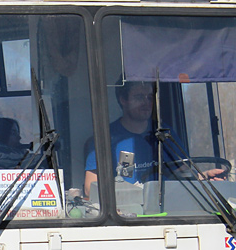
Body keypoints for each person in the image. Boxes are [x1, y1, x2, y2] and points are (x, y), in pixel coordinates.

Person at [83, 80, 225, 197]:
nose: (146, 102)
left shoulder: (165, 133)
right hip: (125, 216)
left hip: (165, 210)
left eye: (149, 97)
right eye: (139, 97)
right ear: (123, 100)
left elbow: (183, 172)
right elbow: (90, 188)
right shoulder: (106, 138)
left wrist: (205, 176)